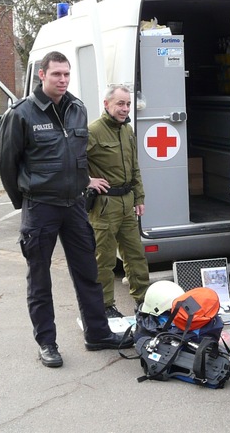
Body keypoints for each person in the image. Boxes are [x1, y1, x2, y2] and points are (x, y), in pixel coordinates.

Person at [0, 51, 133, 369]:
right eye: (56, 74)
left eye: (66, 74)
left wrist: (83, 183)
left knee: (89, 274)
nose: (62, 80)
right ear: (41, 75)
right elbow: (6, 162)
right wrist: (25, 201)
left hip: (74, 206)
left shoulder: (77, 109)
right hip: (40, 206)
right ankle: (47, 343)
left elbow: (78, 158)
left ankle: (97, 333)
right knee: (39, 279)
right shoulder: (22, 113)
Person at [87, 84, 150, 318]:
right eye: (120, 104)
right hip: (105, 206)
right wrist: (87, 180)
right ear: (107, 104)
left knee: (135, 255)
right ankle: (104, 306)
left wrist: (139, 196)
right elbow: (72, 160)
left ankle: (143, 301)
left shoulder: (127, 130)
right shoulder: (93, 131)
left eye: (128, 104)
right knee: (103, 259)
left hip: (127, 202)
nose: (125, 109)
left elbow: (134, 166)